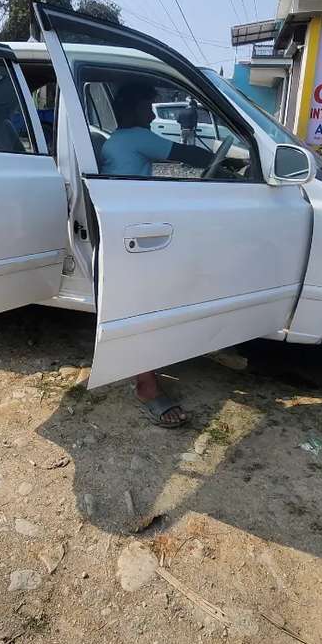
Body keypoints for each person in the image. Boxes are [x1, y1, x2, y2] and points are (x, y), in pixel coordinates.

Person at [100, 82, 227, 428]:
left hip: (128, 218)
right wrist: (226, 160)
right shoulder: (135, 136)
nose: (151, 113)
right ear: (131, 109)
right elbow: (189, 156)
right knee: (147, 304)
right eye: (147, 106)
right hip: (131, 226)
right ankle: (146, 385)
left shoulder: (118, 139)